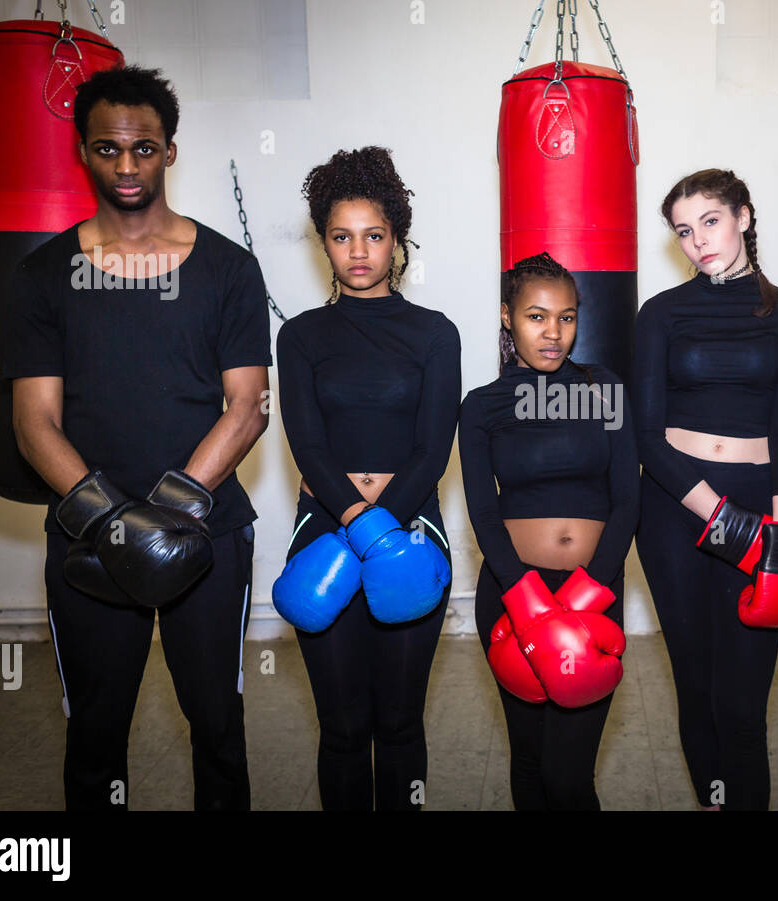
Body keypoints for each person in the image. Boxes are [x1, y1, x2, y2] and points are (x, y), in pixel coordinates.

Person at [3, 66, 271, 810]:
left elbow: (247, 405)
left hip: (207, 534)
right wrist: (118, 524)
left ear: (170, 152)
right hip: (89, 539)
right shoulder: (42, 276)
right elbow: (34, 421)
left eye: (144, 149)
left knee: (217, 721)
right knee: (95, 733)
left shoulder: (229, 269)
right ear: (83, 153)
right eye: (109, 149)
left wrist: (172, 513)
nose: (127, 166)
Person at [274, 146, 460, 811]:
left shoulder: (435, 334)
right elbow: (306, 442)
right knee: (344, 727)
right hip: (323, 527)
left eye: (374, 235)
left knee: (401, 722)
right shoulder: (299, 337)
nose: (359, 251)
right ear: (324, 241)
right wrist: (360, 520)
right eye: (342, 235)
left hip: (414, 527)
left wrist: (383, 529)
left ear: (396, 240)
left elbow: (434, 447)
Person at [631, 170, 778, 811]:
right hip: (673, 510)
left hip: (758, 513)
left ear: (742, 215)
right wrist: (721, 516)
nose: (698, 241)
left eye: (709, 221)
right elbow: (646, 437)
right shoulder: (659, 313)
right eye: (684, 231)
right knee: (697, 688)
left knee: (743, 703)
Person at [458, 252, 638, 810]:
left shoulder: (605, 390)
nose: (554, 332)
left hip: (595, 592)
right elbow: (483, 512)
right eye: (537, 316)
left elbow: (628, 498)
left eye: (567, 316)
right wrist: (523, 594)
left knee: (569, 775)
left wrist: (592, 588)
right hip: (513, 594)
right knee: (531, 759)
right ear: (508, 317)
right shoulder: (482, 406)